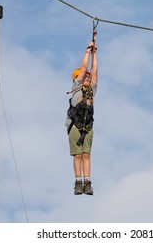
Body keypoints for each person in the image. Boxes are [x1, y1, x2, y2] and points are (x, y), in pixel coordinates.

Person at [65, 40, 98, 195]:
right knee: (78, 155)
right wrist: (87, 50)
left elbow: (94, 70)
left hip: (87, 127)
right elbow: (85, 68)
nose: (86, 78)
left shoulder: (91, 90)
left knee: (86, 155)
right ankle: (78, 181)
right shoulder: (76, 88)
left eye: (87, 77)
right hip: (75, 127)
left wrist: (95, 53)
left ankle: (87, 182)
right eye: (84, 76)